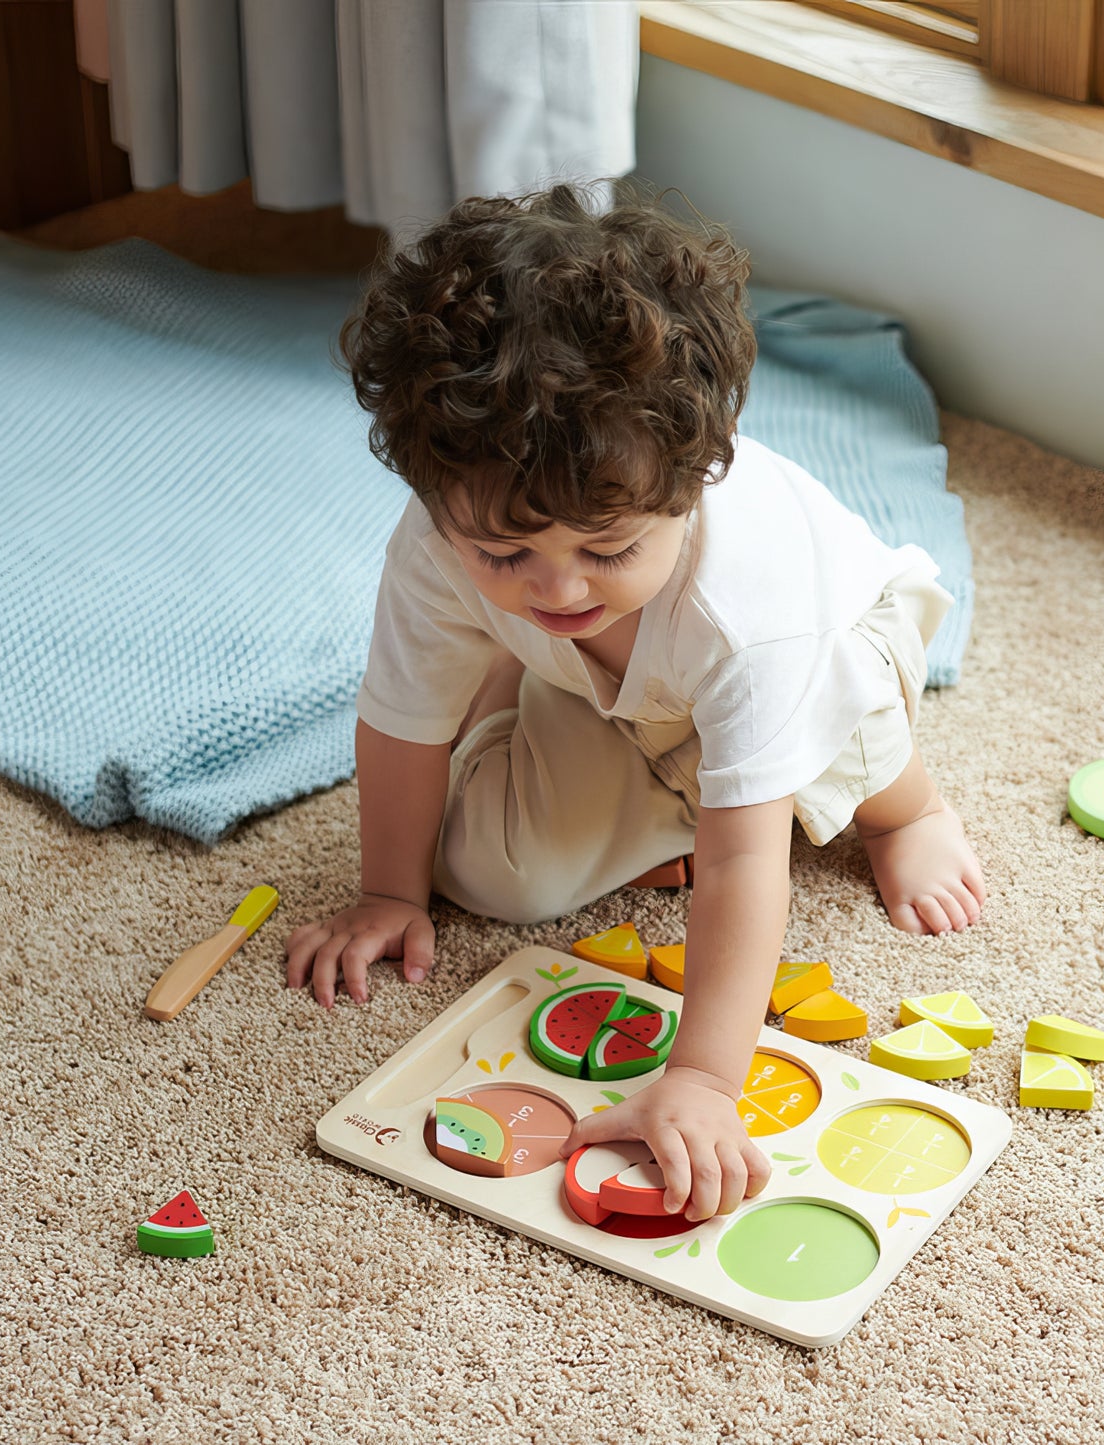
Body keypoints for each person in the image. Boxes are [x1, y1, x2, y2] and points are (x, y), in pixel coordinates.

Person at [284, 182, 985, 1224]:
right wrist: (389, 890)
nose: (557, 585)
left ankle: (909, 809)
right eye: (504, 554)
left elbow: (746, 861)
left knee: (820, 752)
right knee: (482, 872)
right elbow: (400, 718)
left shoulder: (754, 612)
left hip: (827, 656)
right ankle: (631, 769)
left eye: (606, 547)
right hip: (602, 687)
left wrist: (700, 1078)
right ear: (436, 503)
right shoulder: (439, 540)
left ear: (696, 478)